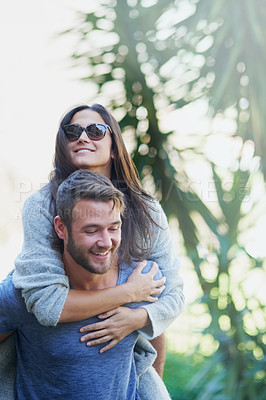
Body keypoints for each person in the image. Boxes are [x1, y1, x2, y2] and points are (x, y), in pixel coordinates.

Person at [8, 103, 183, 396]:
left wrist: (138, 318)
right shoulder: (39, 207)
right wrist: (129, 294)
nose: (83, 137)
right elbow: (47, 303)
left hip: (127, 366)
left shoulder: (146, 209)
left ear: (114, 146)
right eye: (72, 131)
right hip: (49, 360)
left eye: (96, 130)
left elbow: (171, 292)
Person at [0, 170, 172, 399]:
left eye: (113, 228)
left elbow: (156, 331)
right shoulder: (26, 293)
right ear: (61, 228)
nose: (105, 242)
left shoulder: (141, 280)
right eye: (91, 230)